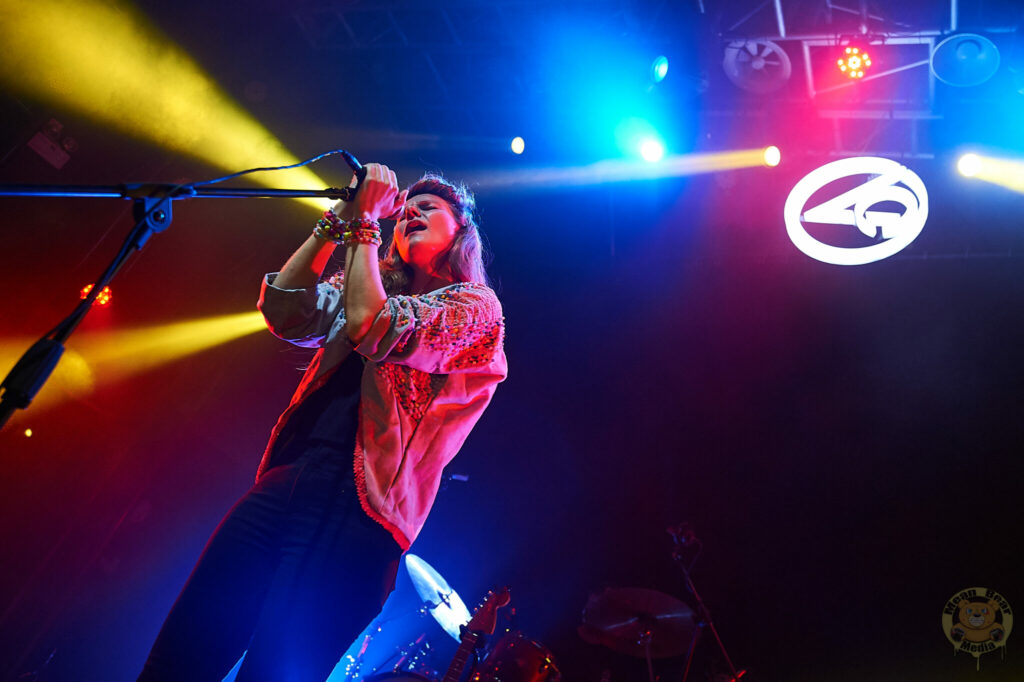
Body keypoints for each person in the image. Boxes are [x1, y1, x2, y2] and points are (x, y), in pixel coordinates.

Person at [138, 164, 507, 681]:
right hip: (287, 479)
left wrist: (366, 229)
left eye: (430, 207)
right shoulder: (370, 280)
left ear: (461, 232)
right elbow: (286, 311)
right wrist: (337, 221)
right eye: (405, 209)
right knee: (180, 656)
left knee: (272, 670)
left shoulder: (475, 307)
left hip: (360, 513)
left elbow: (377, 329)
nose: (411, 214)